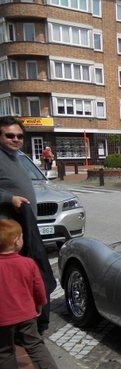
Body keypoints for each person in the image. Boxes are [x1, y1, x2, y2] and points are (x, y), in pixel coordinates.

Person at [0, 116, 55, 335]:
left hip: (23, 229)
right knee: (12, 281)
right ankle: (14, 329)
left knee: (29, 276)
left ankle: (26, 323)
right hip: (6, 233)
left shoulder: (15, 157)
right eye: (9, 135)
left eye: (19, 136)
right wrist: (8, 199)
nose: (15, 139)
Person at [0, 219, 66, 369]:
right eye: (21, 237)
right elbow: (38, 287)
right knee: (35, 343)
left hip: (3, 318)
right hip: (26, 313)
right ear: (16, 242)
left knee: (4, 348)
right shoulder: (28, 263)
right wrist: (39, 305)